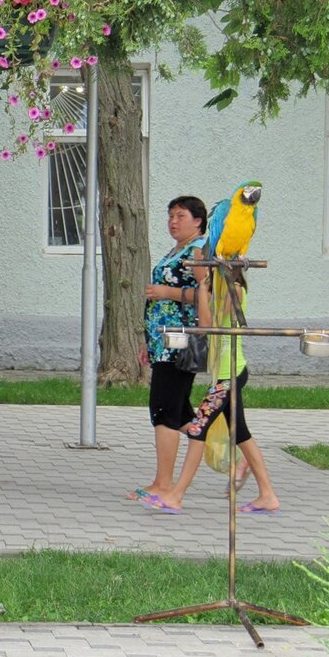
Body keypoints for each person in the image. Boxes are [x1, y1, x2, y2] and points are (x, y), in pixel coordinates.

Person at [145, 274, 281, 515]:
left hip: (230, 375)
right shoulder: (217, 290)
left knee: (197, 428)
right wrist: (202, 289)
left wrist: (204, 291)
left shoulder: (235, 289)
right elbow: (205, 327)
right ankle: (268, 495)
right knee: (241, 434)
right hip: (224, 376)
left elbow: (211, 326)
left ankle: (176, 496)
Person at [130, 196, 209, 503]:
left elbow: (207, 294)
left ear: (198, 221)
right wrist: (147, 342)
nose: (173, 221)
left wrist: (168, 292)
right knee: (182, 413)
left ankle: (163, 483)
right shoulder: (176, 250)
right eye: (170, 216)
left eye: (180, 216)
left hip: (181, 340)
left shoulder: (197, 250)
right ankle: (233, 449)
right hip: (162, 340)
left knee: (164, 410)